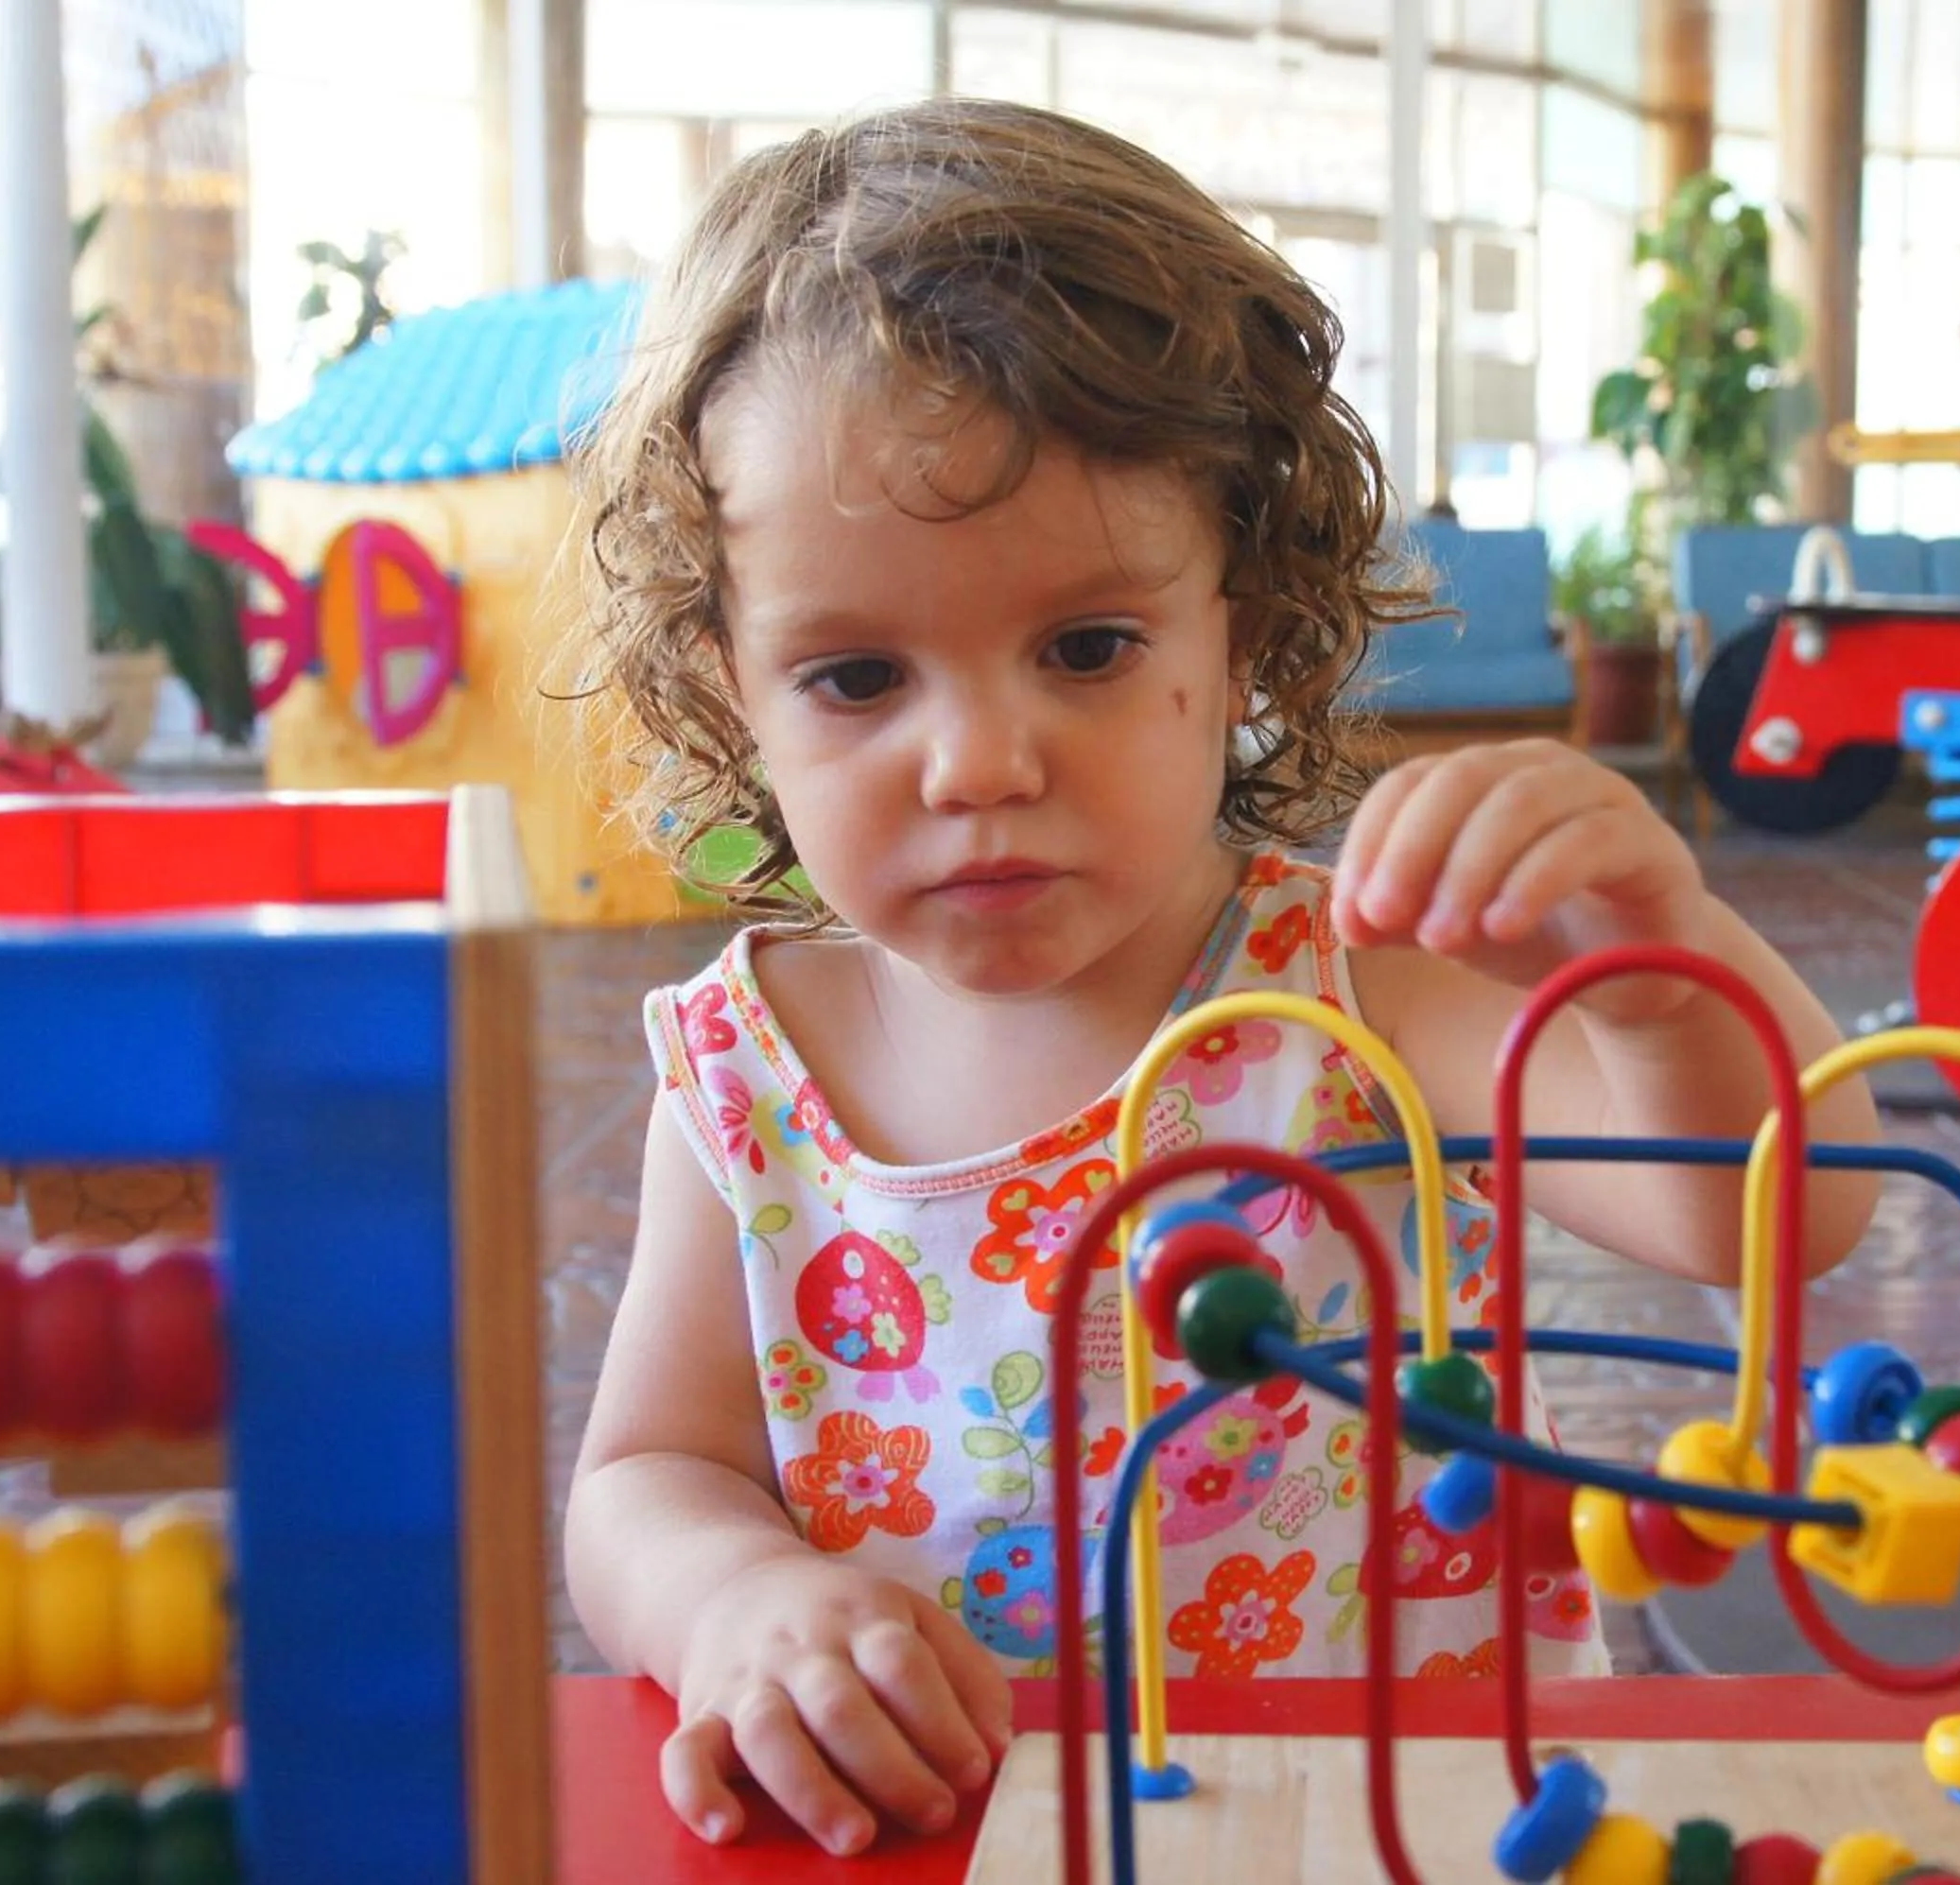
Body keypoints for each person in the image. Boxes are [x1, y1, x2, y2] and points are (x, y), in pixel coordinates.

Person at [560, 97, 1881, 1859]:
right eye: (858, 675)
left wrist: (1653, 983)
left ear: (1240, 627)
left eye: (1088, 646)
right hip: (952, 1830)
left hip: (1410, 1823)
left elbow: (1792, 1213)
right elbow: (650, 1477)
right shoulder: (743, 1074)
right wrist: (729, 1600)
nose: (979, 761)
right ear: (733, 684)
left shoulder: (1359, 989)